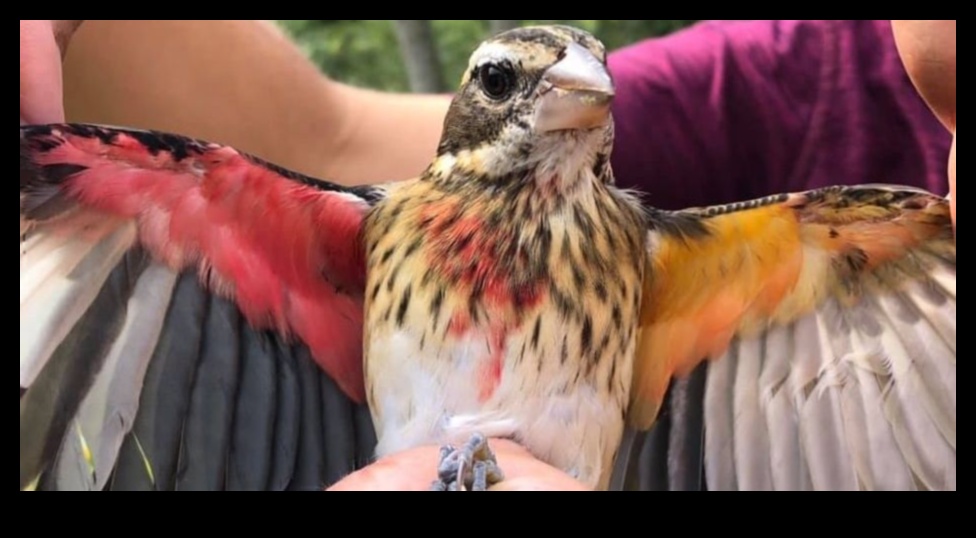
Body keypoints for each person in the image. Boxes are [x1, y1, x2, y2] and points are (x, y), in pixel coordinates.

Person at [19, 20, 956, 490]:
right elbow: (329, 136)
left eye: (586, 75)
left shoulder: (704, 258)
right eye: (509, 82)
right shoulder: (357, 235)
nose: (577, 88)